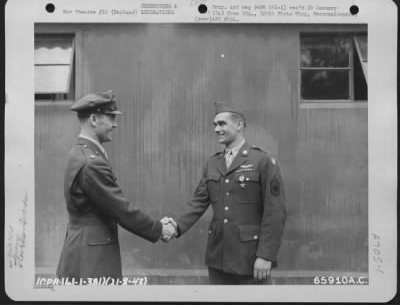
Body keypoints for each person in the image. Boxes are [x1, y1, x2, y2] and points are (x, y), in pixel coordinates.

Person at [56, 90, 175, 282]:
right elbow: (121, 209)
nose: (115, 124)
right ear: (94, 119)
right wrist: (159, 228)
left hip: (81, 247)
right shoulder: (92, 162)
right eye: (111, 118)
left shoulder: (78, 153)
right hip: (93, 255)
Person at [163, 102, 287, 284]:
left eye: (222, 124)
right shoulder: (213, 163)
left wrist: (266, 256)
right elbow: (198, 202)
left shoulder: (262, 161)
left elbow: (275, 212)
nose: (216, 129)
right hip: (218, 257)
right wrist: (175, 227)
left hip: (250, 258)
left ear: (239, 125)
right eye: (215, 125)